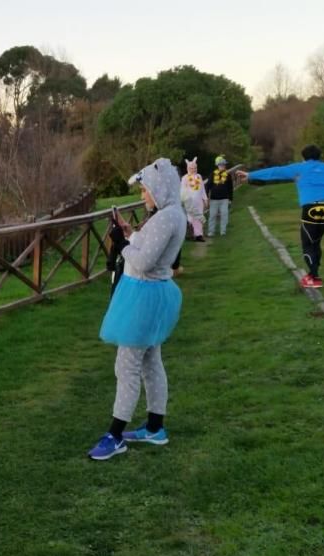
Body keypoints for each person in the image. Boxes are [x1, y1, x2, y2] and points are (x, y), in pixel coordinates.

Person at [89, 158, 185, 461]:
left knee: (127, 365)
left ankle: (115, 434)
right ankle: (155, 427)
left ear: (159, 187)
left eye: (145, 189)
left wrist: (120, 243)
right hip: (154, 295)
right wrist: (131, 235)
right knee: (150, 362)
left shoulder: (165, 218)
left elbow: (143, 262)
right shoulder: (170, 215)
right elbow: (148, 249)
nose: (143, 195)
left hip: (144, 297)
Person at [237, 145, 324, 289]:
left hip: (311, 207)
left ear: (303, 157)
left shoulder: (298, 168)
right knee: (316, 242)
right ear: (319, 156)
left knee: (307, 244)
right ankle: (312, 275)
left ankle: (315, 278)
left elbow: (275, 172)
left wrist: (251, 175)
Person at [181, 157, 208, 242]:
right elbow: (182, 190)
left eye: (195, 168)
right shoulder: (185, 178)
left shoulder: (199, 177)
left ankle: (199, 235)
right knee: (190, 218)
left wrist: (205, 199)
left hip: (199, 201)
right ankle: (188, 234)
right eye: (191, 168)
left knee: (199, 218)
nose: (193, 170)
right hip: (189, 202)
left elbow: (202, 188)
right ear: (188, 168)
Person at [207, 155, 234, 237]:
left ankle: (223, 231)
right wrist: (206, 197)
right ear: (217, 165)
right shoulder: (212, 174)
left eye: (224, 165)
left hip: (224, 199)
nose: (222, 166)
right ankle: (211, 231)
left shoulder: (228, 175)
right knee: (212, 215)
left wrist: (230, 199)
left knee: (224, 215)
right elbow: (208, 185)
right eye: (221, 165)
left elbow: (230, 187)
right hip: (214, 199)